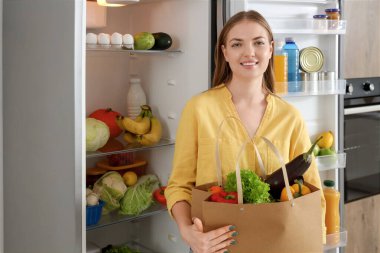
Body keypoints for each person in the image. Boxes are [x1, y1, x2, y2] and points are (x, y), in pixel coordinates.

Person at [165, 10, 326, 253]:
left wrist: (316, 238)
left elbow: (311, 191)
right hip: (216, 246)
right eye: (237, 44)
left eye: (258, 43)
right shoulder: (199, 109)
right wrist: (188, 233)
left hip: (278, 245)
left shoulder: (289, 117)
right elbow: (179, 185)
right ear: (225, 52)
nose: (249, 52)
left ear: (271, 49)